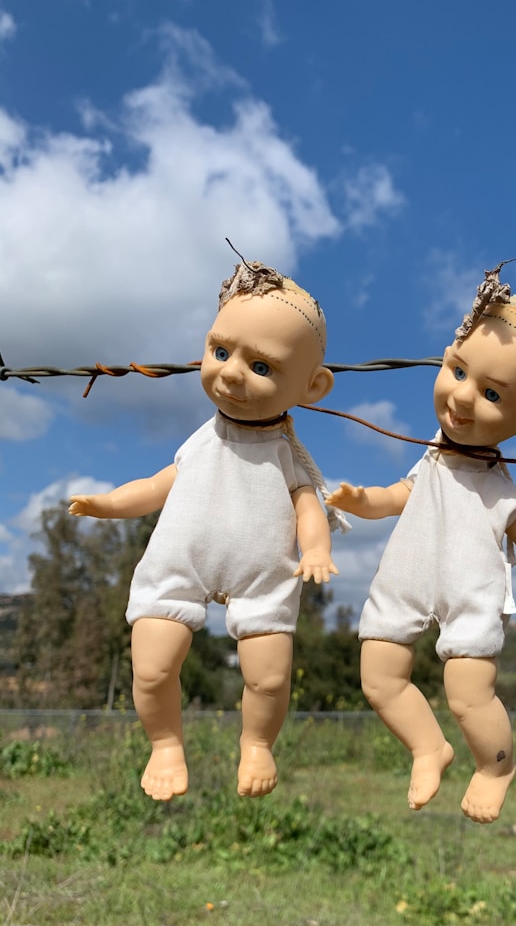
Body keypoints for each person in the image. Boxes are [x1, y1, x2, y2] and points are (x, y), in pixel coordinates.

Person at [70, 260, 344, 801]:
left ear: (312, 386)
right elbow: (157, 485)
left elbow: (307, 501)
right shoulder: (201, 442)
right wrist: (108, 504)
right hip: (179, 563)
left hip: (264, 573)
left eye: (261, 366)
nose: (232, 373)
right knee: (152, 668)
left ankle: (257, 744)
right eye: (220, 352)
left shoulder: (285, 454)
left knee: (269, 677)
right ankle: (164, 744)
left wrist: (315, 547)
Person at [326, 272, 516, 824]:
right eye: (459, 372)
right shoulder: (428, 462)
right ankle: (428, 748)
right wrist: (360, 499)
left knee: (469, 696)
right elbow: (394, 497)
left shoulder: (497, 487)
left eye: (493, 394)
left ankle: (495, 767)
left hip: (472, 591)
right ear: (444, 361)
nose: (464, 396)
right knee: (379, 678)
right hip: (404, 580)